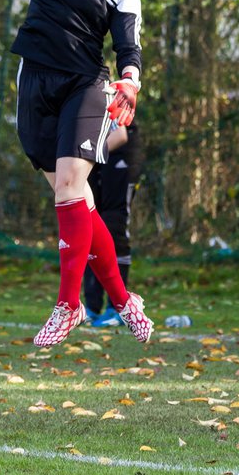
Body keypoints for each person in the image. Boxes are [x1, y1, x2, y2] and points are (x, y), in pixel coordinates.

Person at [10, 0, 187, 346]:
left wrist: (130, 80)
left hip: (86, 85)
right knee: (78, 199)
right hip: (35, 79)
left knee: (70, 187)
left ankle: (69, 307)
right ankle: (125, 301)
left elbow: (128, 48)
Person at [83, 118, 143, 327]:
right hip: (98, 160)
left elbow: (119, 135)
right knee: (89, 230)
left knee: (114, 228)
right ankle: (91, 307)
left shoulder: (105, 90)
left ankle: (118, 308)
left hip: (119, 160)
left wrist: (85, 156)